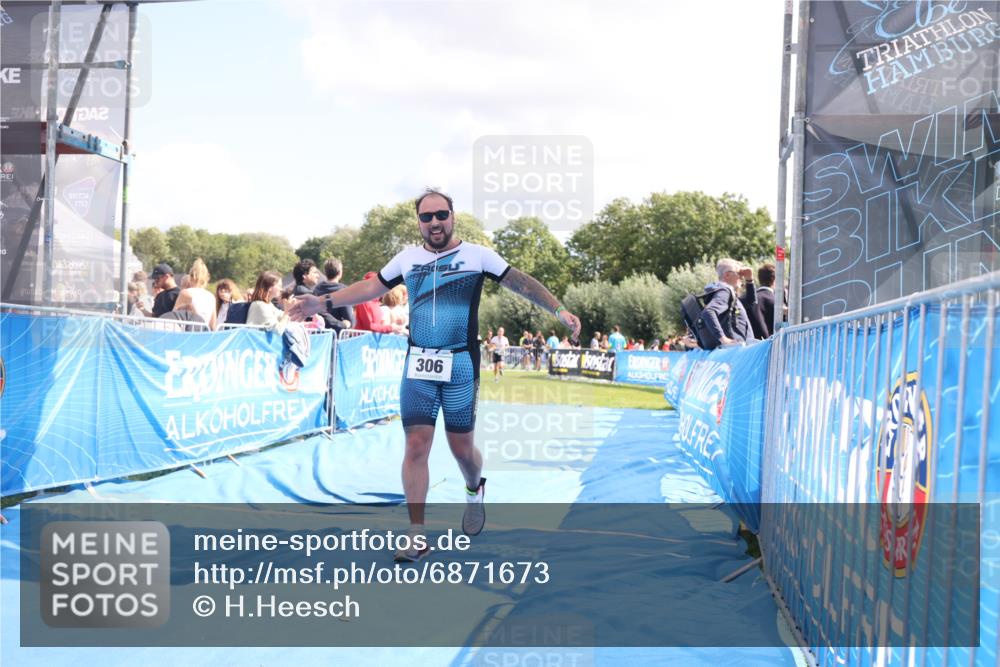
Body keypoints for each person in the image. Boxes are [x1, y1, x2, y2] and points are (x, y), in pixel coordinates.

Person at [289, 188, 579, 560]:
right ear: (419, 223)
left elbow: (519, 282)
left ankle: (474, 489)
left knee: (461, 450)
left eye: (441, 214)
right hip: (419, 365)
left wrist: (559, 311)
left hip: (460, 364)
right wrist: (324, 301)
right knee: (415, 445)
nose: (435, 223)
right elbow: (370, 288)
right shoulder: (408, 259)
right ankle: (416, 534)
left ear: (452, 215)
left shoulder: (477, 255)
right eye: (426, 217)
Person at [701, 258, 753, 346]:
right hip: (736, 349)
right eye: (739, 273)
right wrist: (723, 338)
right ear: (727, 275)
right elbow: (708, 311)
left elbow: (750, 302)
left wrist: (750, 280)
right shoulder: (725, 291)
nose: (741, 277)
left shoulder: (725, 291)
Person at [313, 257, 355, 333]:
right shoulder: (344, 291)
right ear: (340, 272)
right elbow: (349, 320)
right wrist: (346, 324)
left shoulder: (316, 289)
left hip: (318, 336)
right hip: (336, 336)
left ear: (325, 272)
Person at [175, 258, 218, 330]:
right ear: (207, 278)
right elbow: (213, 324)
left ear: (190, 277)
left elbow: (173, 316)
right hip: (204, 334)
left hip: (187, 334)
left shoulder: (185, 293)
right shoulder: (211, 296)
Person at [744, 263, 777, 339]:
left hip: (749, 345)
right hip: (770, 345)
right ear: (775, 279)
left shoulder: (745, 299)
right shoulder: (774, 301)